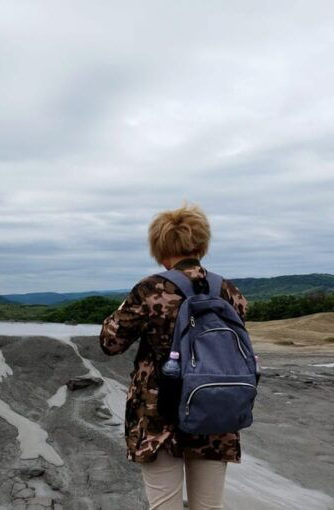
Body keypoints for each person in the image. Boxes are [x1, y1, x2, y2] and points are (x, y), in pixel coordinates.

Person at [100, 204, 248, 510]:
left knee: (164, 505)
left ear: (160, 246)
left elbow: (110, 343)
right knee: (209, 507)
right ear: (202, 244)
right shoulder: (228, 291)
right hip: (215, 409)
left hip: (159, 415)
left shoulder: (151, 289)